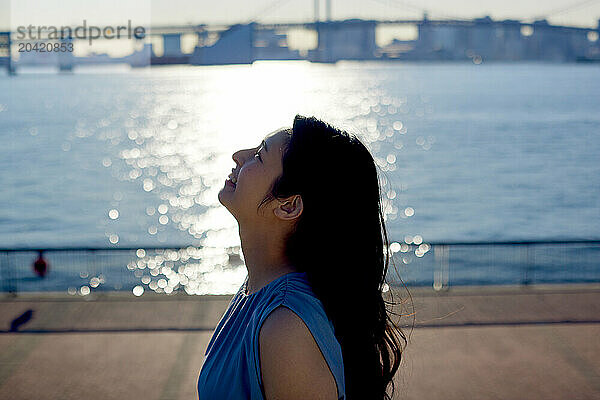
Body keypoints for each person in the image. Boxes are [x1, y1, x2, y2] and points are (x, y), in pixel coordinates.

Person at [197, 115, 407, 400]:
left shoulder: (286, 328)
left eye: (259, 156)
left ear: (289, 206)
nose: (238, 156)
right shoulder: (257, 287)